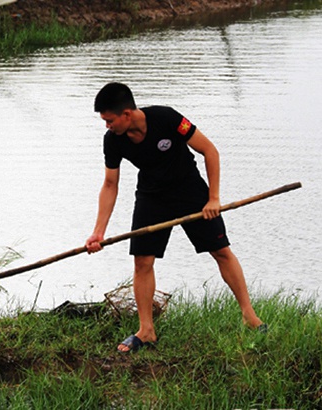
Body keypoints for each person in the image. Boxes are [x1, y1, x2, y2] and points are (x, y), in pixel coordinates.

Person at [85, 82, 265, 353]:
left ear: (127, 114)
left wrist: (213, 198)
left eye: (109, 120)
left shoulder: (167, 118)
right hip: (152, 197)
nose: (106, 125)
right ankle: (146, 330)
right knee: (142, 262)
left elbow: (209, 151)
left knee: (221, 251)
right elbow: (110, 184)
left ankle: (249, 316)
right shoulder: (113, 140)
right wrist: (98, 231)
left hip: (189, 190)